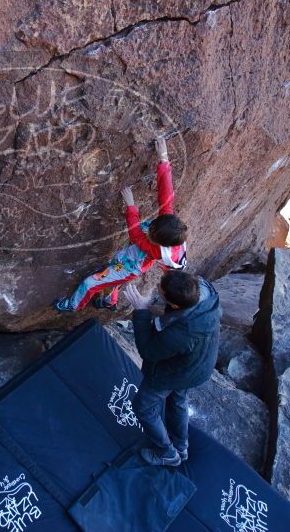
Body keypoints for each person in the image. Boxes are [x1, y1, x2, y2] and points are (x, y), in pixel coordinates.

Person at [54, 133, 188, 312]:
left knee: (91, 282)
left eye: (152, 231)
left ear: (157, 241)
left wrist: (131, 206)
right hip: (129, 261)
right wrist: (163, 158)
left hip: (128, 267)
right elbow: (166, 195)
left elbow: (136, 234)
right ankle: (110, 302)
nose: (150, 227)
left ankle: (72, 305)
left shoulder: (157, 248)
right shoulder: (170, 230)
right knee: (113, 278)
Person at [124, 271, 221, 466]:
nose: (157, 286)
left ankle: (166, 453)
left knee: (143, 407)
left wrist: (142, 311)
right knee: (177, 399)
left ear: (175, 305)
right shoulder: (203, 291)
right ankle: (180, 445)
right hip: (199, 366)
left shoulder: (182, 332)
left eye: (160, 288)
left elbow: (149, 351)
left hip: (177, 372)